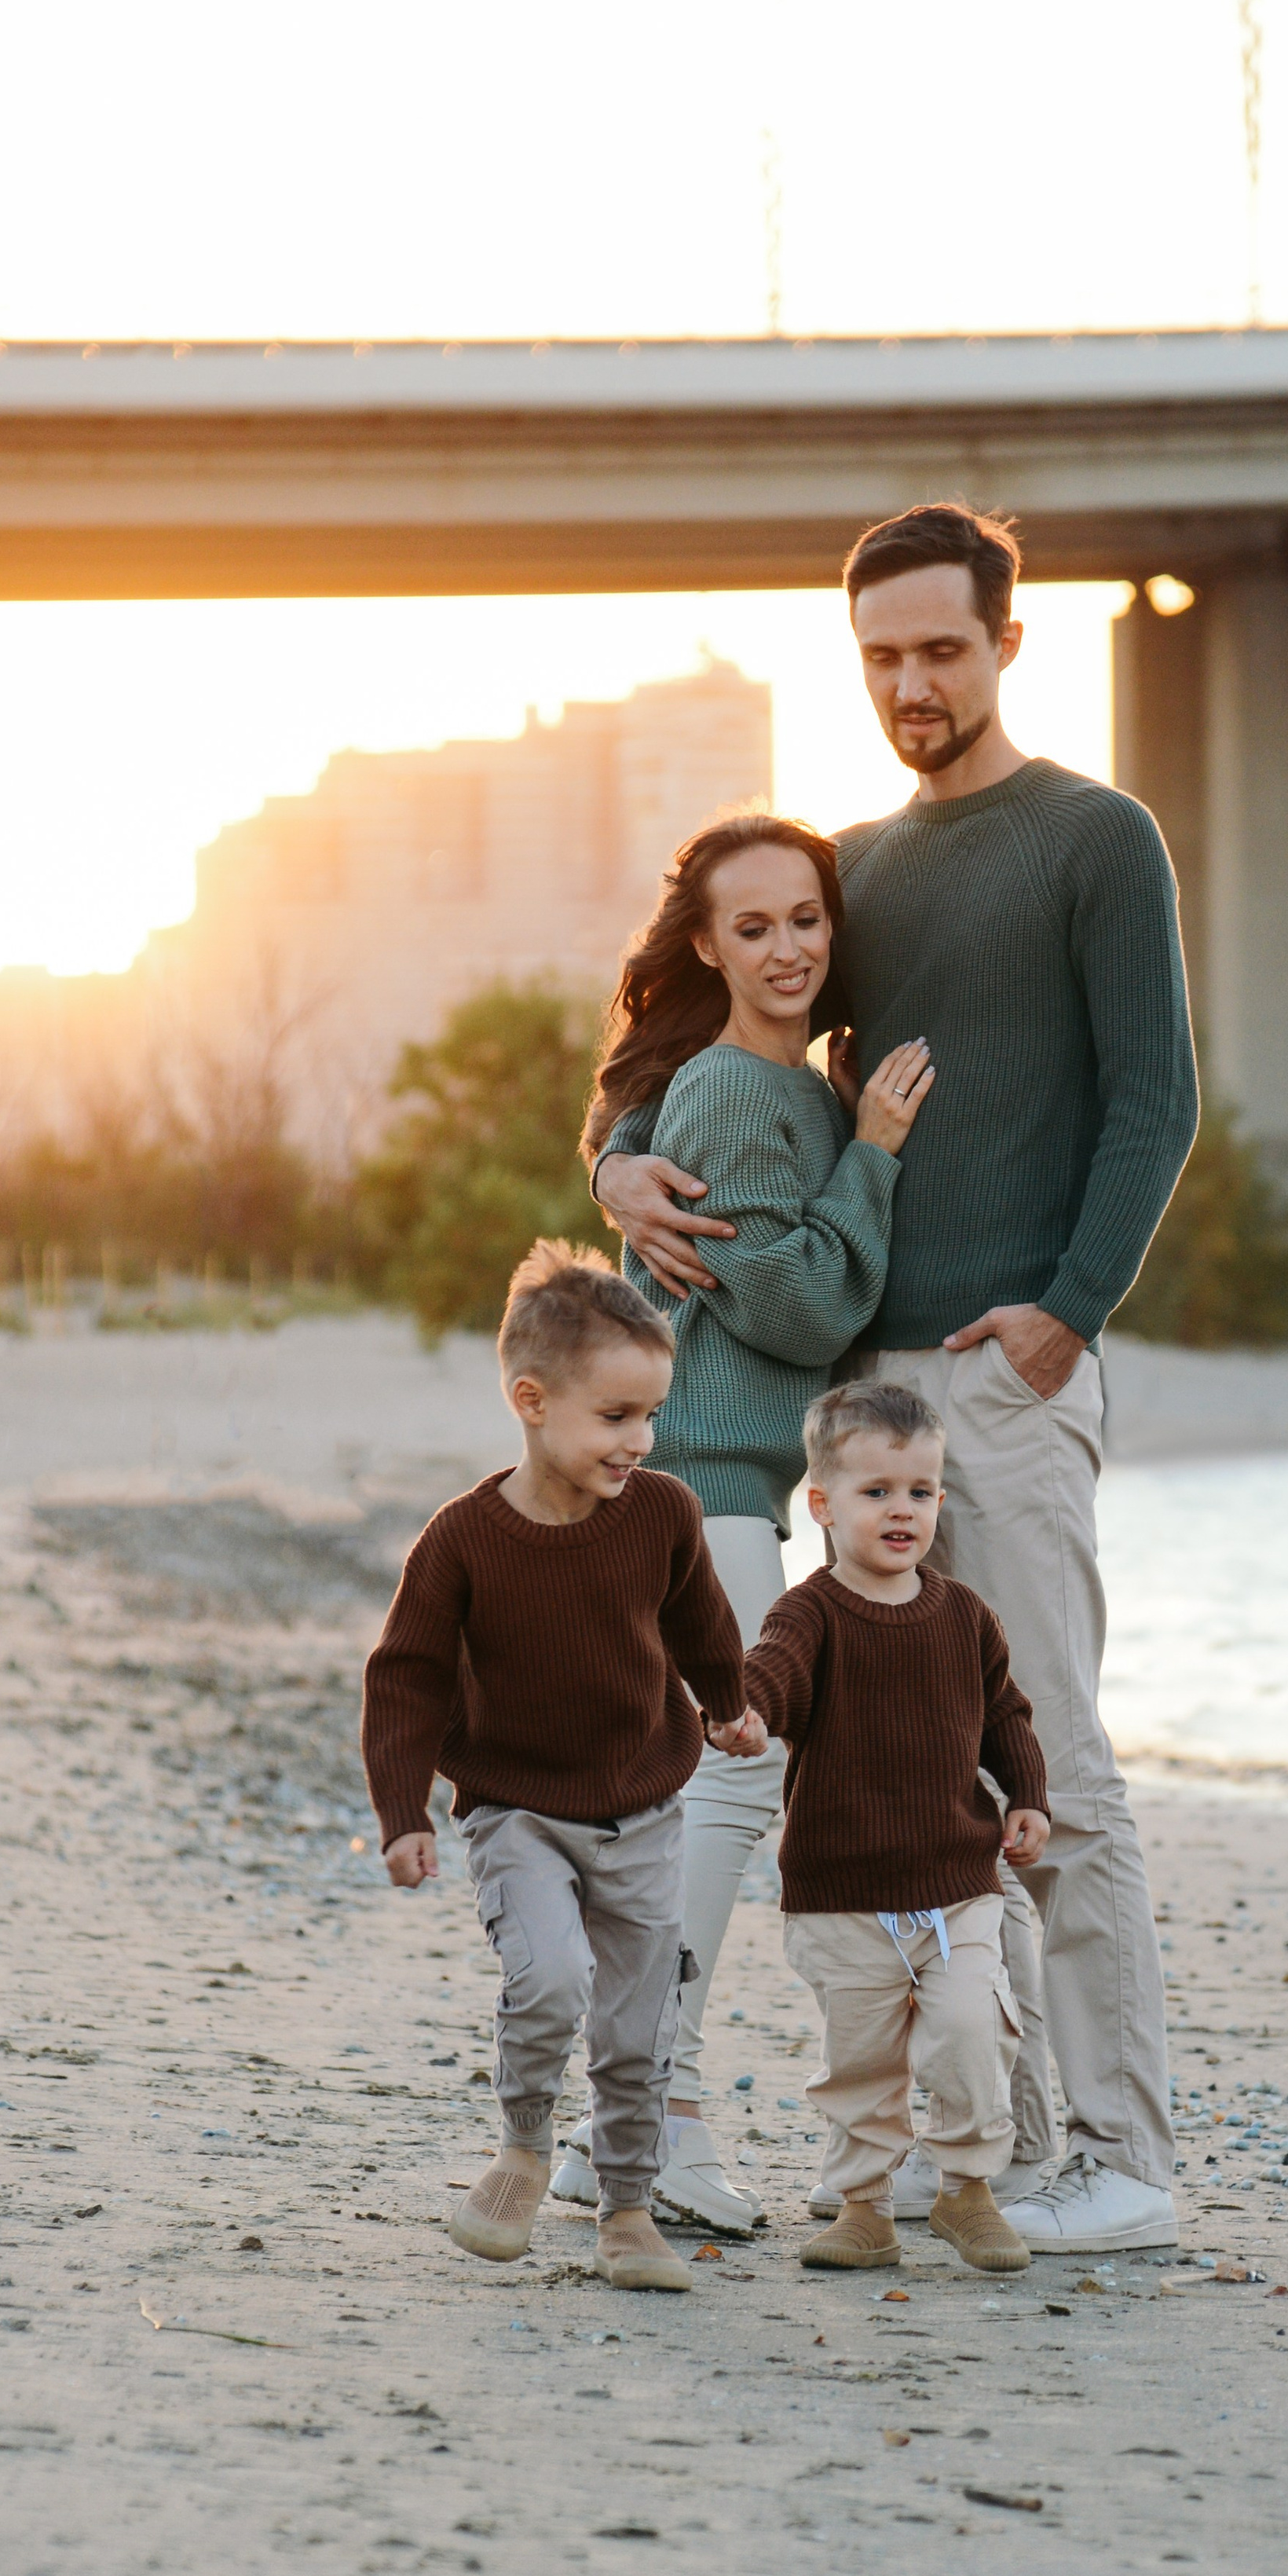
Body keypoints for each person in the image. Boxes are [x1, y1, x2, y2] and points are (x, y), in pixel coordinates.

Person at [593, 501, 1199, 2255]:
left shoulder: (1096, 839)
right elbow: (713, 1020)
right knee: (914, 1783)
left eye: (941, 649)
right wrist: (617, 1163)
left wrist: (1066, 1312)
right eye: (880, 657)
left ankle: (1124, 2157)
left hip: (1000, 1384)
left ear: (1008, 644)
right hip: (846, 1397)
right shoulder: (858, 866)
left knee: (1048, 1764)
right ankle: (996, 2153)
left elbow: (1153, 1097)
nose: (911, 683)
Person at [554, 812, 936, 2236]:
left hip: (729, 1490)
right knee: (724, 1785)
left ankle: (634, 2120)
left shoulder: (787, 1093)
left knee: (693, 1799)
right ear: (705, 944)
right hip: (703, 1480)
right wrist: (881, 1151)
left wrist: (854, 1137)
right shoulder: (730, 1093)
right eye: (755, 925)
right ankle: (650, 2109)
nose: (789, 948)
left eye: (809, 920)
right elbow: (798, 1303)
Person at [360, 1241, 757, 2290]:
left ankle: (627, 2209)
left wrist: (730, 1706)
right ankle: (526, 2145)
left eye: (651, 1415)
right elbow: (405, 1679)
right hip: (519, 1813)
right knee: (548, 1977)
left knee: (639, 2027)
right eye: (616, 1417)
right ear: (532, 1402)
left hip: (644, 1811)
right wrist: (404, 1813)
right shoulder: (462, 1543)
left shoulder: (664, 1514)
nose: (641, 1440)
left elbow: (702, 1623)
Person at [742, 1381, 1045, 2277]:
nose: (900, 1510)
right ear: (824, 1505)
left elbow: (1007, 1716)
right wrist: (747, 1711)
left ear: (940, 1499)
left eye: (918, 1491)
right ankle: (864, 2208)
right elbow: (773, 1674)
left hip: (956, 1882)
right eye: (876, 1493)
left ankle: (965, 2191)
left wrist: (1025, 1793)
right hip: (841, 1895)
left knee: (967, 2028)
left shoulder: (964, 1617)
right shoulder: (811, 1616)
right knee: (862, 2064)